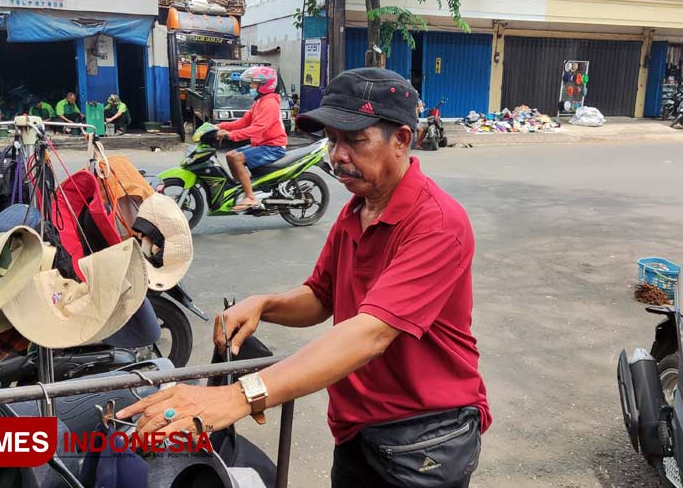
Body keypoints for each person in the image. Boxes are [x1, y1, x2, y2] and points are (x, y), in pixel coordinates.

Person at [117, 68, 491, 488]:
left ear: (402, 140)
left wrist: (238, 396)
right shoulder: (358, 208)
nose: (337, 155)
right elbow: (321, 295)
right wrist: (265, 304)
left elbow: (371, 333)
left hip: (424, 435)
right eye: (332, 139)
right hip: (356, 422)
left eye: (355, 139)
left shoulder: (436, 222)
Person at [215, 66, 287, 211]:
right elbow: (243, 122)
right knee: (230, 155)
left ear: (265, 84)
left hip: (273, 146)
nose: (251, 86)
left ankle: (250, 197)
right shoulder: (259, 101)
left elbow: (258, 128)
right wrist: (219, 126)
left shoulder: (270, 103)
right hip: (261, 144)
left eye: (254, 83)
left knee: (237, 158)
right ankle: (241, 187)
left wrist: (231, 135)